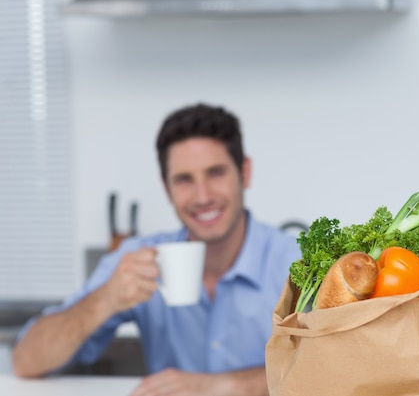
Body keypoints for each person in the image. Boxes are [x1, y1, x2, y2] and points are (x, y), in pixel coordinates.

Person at [11, 103, 302, 396]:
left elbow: (336, 368)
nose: (202, 196)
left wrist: (221, 386)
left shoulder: (295, 264)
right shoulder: (139, 258)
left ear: (245, 172)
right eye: (184, 179)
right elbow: (26, 361)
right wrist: (104, 300)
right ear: (166, 189)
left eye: (215, 173)